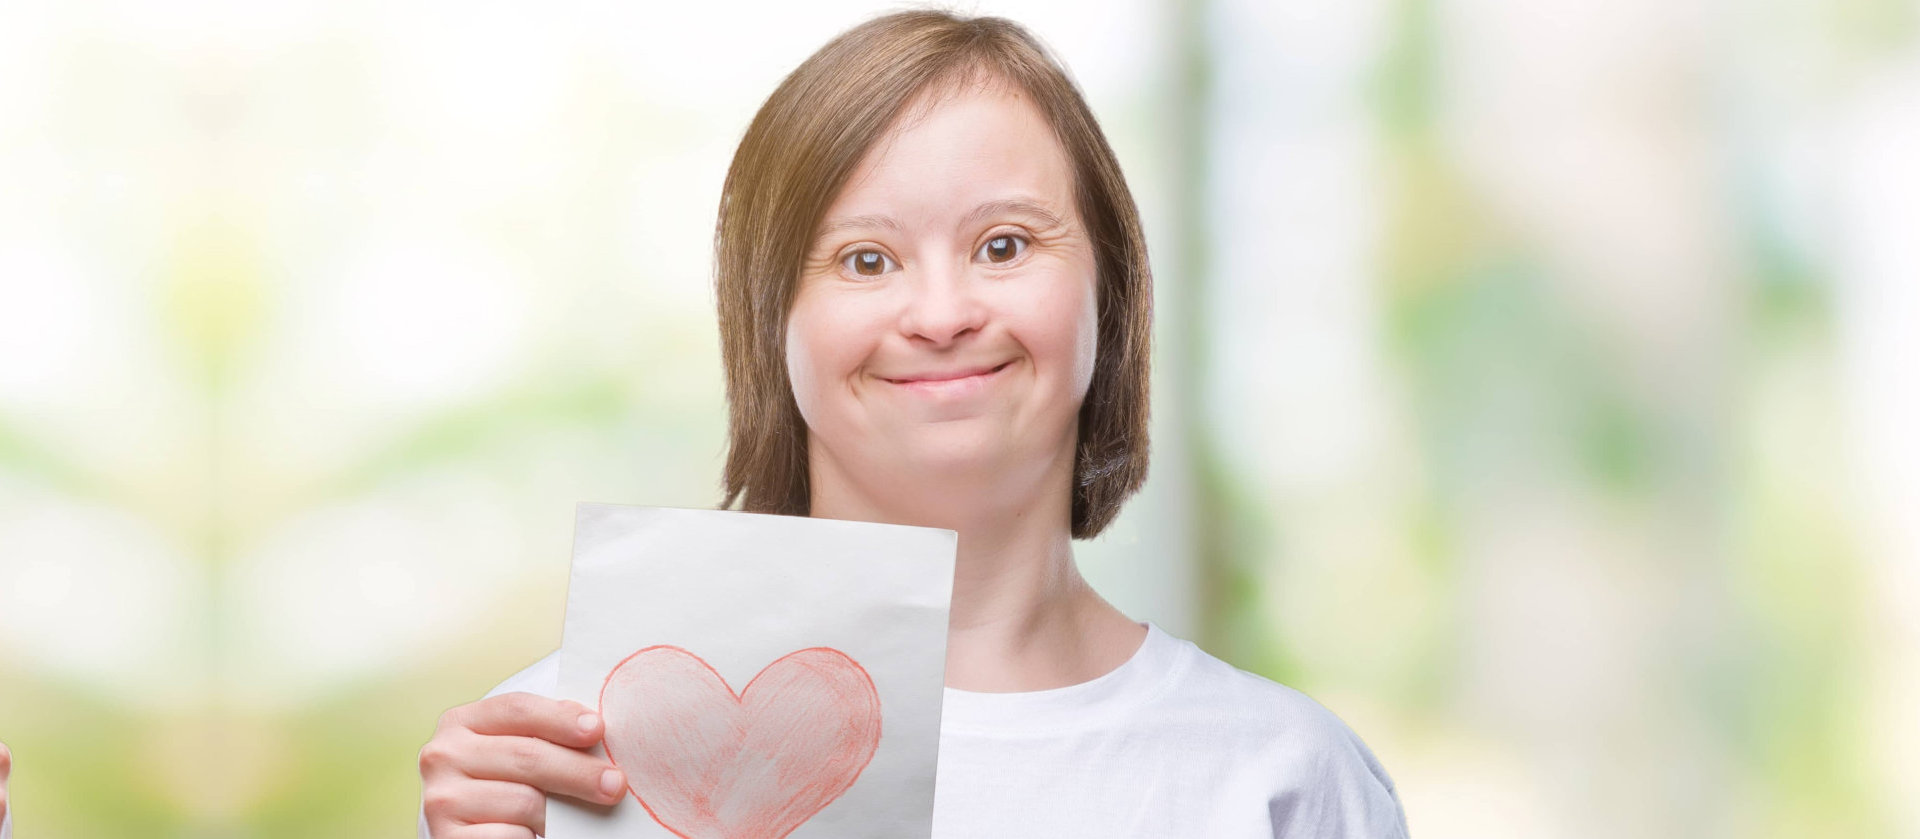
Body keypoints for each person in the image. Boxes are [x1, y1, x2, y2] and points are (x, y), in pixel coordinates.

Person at [418, 9, 1409, 838]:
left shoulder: (1284, 777)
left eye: (1004, 244)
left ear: (1108, 291)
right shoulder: (562, 749)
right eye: (866, 260)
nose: (941, 314)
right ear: (769, 325)